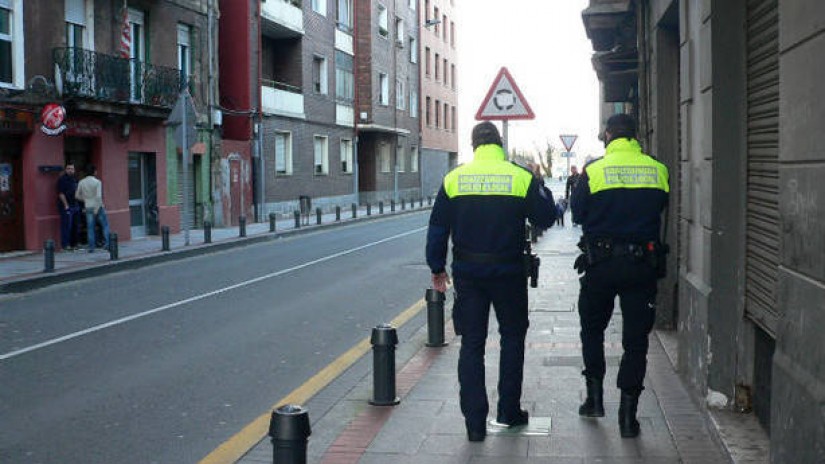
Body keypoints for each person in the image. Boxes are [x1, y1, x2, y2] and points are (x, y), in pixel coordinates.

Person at [426, 121, 557, 442]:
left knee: (472, 344)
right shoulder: (519, 177)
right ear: (499, 144)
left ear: (474, 146)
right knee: (512, 339)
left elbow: (438, 228)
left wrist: (437, 268)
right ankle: (508, 411)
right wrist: (538, 181)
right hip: (509, 273)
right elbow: (546, 216)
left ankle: (474, 423)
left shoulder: (454, 179)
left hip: (469, 274)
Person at [570, 113, 669, 438]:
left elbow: (578, 212)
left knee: (592, 329)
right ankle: (628, 418)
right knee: (636, 341)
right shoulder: (657, 169)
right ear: (634, 135)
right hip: (642, 266)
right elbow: (661, 206)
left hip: (601, 265)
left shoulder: (594, 170)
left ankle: (595, 400)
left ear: (609, 135)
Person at [75, 164, 110, 253]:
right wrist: (97, 209)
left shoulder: (81, 182)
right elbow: (98, 196)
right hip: (98, 206)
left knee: (90, 228)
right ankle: (107, 244)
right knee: (105, 225)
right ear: (94, 172)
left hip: (88, 206)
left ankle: (91, 247)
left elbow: (77, 196)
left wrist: (86, 199)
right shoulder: (97, 182)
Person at [57, 162, 79, 251]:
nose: (70, 170)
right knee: (67, 226)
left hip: (75, 205)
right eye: (68, 169)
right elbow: (61, 193)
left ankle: (74, 244)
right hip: (67, 206)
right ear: (65, 170)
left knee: (75, 226)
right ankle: (65, 245)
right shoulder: (62, 180)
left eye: (72, 169)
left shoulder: (74, 179)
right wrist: (66, 205)